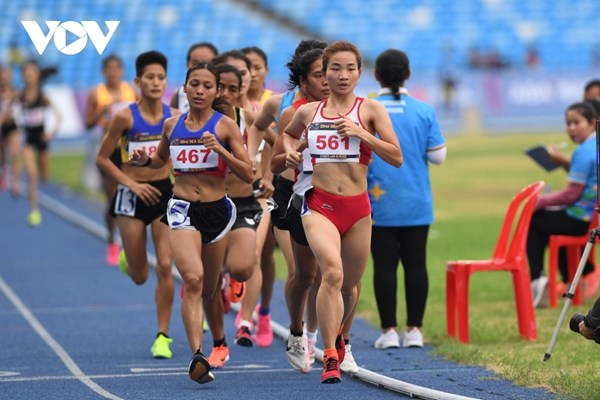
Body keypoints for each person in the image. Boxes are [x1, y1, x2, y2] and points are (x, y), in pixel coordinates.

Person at [282, 41, 402, 384]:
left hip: (358, 209)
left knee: (349, 287)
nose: (343, 75)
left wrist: (361, 133)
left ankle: (340, 339)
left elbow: (396, 156)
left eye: (350, 68)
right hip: (319, 205)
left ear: (360, 73)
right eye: (335, 68)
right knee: (331, 274)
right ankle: (330, 356)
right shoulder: (309, 112)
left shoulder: (371, 110)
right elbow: (287, 136)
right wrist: (291, 152)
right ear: (325, 72)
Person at [129, 61, 253, 385]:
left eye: (207, 86)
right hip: (181, 210)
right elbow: (161, 159)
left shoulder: (225, 126)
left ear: (216, 91)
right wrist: (146, 161)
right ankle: (198, 356)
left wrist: (220, 151)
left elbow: (248, 173)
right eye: (194, 84)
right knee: (194, 280)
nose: (199, 91)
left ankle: (218, 335)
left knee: (210, 288)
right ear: (184, 87)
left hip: (217, 212)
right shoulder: (172, 125)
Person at [96, 50, 177, 359]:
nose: (155, 83)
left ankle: (163, 336)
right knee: (141, 276)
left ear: (166, 82)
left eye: (161, 78)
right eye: (150, 77)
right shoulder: (125, 117)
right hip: (131, 196)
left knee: (166, 265)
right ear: (137, 81)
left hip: (162, 194)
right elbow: (102, 159)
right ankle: (129, 258)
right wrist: (131, 184)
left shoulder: (174, 117)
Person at [367, 49, 446, 350]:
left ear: (376, 75)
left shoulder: (366, 108)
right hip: (416, 199)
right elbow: (438, 156)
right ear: (408, 74)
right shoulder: (423, 110)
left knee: (383, 266)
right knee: (416, 265)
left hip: (378, 200)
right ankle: (415, 330)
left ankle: (388, 331)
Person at [528, 102, 598, 307]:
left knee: (535, 221)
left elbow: (571, 194)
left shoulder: (583, 152)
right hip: (592, 217)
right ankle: (572, 279)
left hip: (581, 219)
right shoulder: (594, 146)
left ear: (592, 123)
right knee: (552, 222)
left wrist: (539, 201)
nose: (571, 128)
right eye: (568, 123)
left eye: (577, 122)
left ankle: (537, 280)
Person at [85, 54, 138, 265]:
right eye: (109, 69)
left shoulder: (131, 91)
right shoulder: (97, 94)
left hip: (128, 151)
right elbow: (87, 123)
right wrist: (102, 112)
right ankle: (111, 239)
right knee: (113, 200)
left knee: (129, 198)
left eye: (117, 68)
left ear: (122, 71)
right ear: (103, 71)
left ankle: (128, 242)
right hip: (107, 152)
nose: (113, 72)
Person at [15, 60, 61, 226]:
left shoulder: (43, 96)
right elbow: (7, 111)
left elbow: (59, 117)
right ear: (22, 76)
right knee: (31, 174)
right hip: (27, 140)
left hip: (42, 139)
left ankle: (38, 201)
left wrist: (51, 133)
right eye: (25, 72)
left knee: (44, 177)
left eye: (31, 72)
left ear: (37, 75)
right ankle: (34, 211)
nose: (28, 75)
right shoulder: (19, 96)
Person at [169, 42, 219, 112]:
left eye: (207, 63)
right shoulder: (179, 94)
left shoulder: (222, 97)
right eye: (195, 63)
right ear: (187, 64)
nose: (201, 68)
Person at [0, 65, 20, 196]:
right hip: (2, 126)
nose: (4, 78)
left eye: (7, 75)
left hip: (13, 126)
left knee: (15, 153)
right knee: (3, 154)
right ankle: (4, 171)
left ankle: (15, 182)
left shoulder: (15, 92)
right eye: (2, 75)